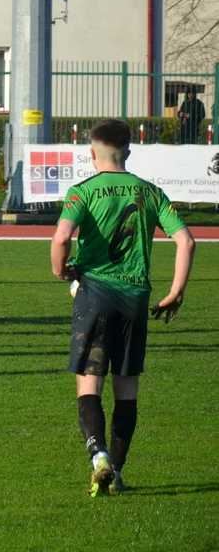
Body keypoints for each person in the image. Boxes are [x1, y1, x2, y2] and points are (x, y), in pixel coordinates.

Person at [50, 118, 195, 496]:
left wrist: (59, 270)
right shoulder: (150, 192)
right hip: (135, 300)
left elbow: (62, 236)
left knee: (89, 386)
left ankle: (98, 457)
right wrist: (176, 291)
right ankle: (115, 472)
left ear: (90, 153)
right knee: (126, 390)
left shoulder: (83, 191)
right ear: (128, 152)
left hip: (94, 295)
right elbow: (187, 241)